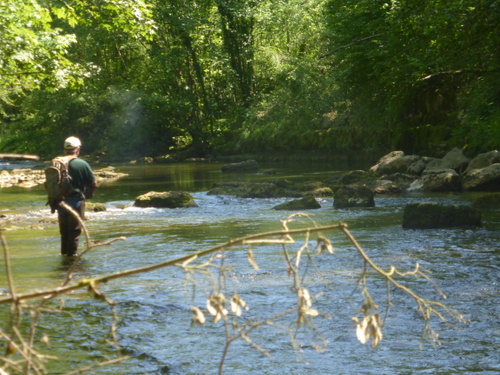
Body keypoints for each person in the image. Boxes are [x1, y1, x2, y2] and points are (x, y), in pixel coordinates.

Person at [57, 136, 97, 257]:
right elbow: (93, 184)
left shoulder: (57, 163)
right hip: (76, 202)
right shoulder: (82, 163)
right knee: (74, 232)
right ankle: (72, 261)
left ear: (65, 149)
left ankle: (64, 257)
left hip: (60, 202)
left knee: (64, 233)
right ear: (77, 149)